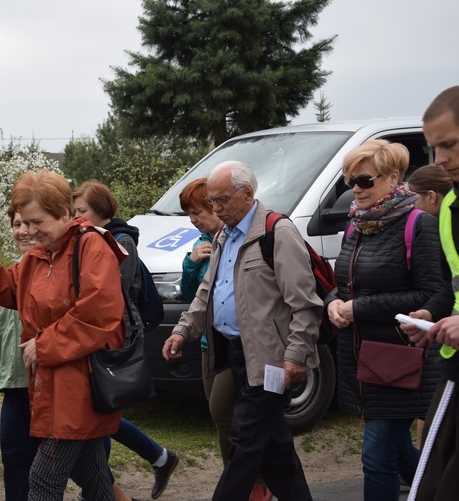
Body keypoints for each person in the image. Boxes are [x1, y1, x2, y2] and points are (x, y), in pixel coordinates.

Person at [0, 169, 125, 501]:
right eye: (23, 222)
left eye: (37, 222)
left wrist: (43, 346)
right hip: (50, 387)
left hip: (82, 388)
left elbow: (99, 312)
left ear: (63, 214)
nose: (29, 231)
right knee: (94, 478)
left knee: (43, 481)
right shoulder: (38, 256)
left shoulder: (91, 246)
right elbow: (5, 289)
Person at [162, 161, 319, 501]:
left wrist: (295, 355)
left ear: (247, 193)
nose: (215, 208)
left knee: (244, 443)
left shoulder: (277, 231)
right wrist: (183, 329)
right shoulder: (223, 234)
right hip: (236, 355)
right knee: (277, 453)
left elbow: (304, 303)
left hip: (272, 362)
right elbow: (208, 292)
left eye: (222, 200)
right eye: (212, 201)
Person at [324, 139, 450, 501]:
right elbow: (344, 285)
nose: (356, 189)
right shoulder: (357, 225)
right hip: (363, 362)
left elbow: (430, 295)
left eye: (365, 180)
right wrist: (333, 303)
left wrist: (357, 309)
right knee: (399, 451)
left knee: (376, 457)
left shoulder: (419, 225)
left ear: (393, 178)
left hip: (401, 361)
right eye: (350, 181)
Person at [73, 180, 179, 500]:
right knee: (101, 411)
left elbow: (109, 293)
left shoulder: (120, 242)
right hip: (98, 336)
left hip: (115, 338)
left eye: (82, 212)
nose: (75, 218)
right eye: (73, 212)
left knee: (100, 410)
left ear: (101, 213)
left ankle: (103, 487)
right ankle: (149, 463)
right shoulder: (92, 238)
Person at [178, 178, 274, 501]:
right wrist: (192, 264)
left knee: (223, 411)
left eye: (198, 211)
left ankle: (246, 479)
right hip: (211, 344)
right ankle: (239, 476)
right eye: (189, 214)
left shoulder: (252, 233)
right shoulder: (207, 242)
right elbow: (193, 293)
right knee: (223, 417)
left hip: (245, 345)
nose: (195, 219)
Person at [402, 85, 459, 501]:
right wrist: (430, 315)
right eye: (433, 148)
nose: (440, 160)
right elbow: (451, 283)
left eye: (450, 144)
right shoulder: (451, 207)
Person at [0, 207, 39, 501]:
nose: (22, 230)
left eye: (32, 223)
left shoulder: (57, 270)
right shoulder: (11, 272)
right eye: (17, 224)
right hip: (14, 384)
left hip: (49, 384)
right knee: (14, 461)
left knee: (83, 465)